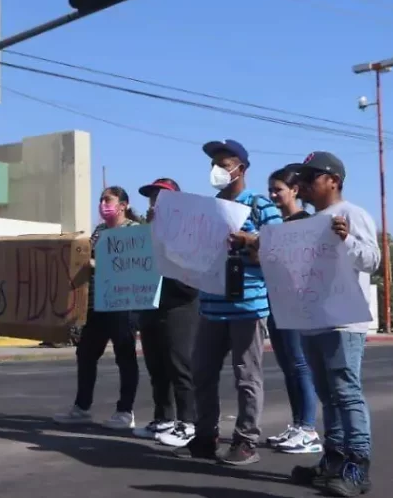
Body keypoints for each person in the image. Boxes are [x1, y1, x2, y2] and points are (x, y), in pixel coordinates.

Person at [178, 139, 281, 466]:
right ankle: (205, 434)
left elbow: (282, 248)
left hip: (247, 307)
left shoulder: (261, 205)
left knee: (246, 376)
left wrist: (251, 240)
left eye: (224, 164)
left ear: (241, 169)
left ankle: (246, 439)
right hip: (211, 305)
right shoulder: (210, 207)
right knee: (202, 372)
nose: (217, 170)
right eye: (214, 164)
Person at [287, 152, 380, 496]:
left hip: (343, 321)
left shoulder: (352, 214)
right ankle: (335, 460)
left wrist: (346, 240)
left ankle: (358, 465)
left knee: (346, 392)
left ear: (333, 180)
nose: (305, 185)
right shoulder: (306, 223)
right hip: (313, 320)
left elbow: (373, 260)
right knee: (328, 395)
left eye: (312, 177)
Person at [53, 186, 144, 430]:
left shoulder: (134, 231)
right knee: (85, 354)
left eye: (108, 199)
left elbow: (132, 265)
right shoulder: (100, 231)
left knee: (124, 357)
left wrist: (98, 264)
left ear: (123, 205)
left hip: (123, 304)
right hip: (97, 305)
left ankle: (125, 411)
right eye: (101, 199)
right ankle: (82, 407)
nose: (103, 204)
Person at [133, 179, 200, 448]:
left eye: (161, 198)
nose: (155, 203)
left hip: (180, 305)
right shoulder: (146, 234)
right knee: (156, 366)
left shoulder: (189, 232)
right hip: (151, 305)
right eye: (152, 198)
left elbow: (191, 277)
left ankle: (188, 423)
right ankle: (164, 418)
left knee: (180, 365)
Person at [263, 167, 322, 454]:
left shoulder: (305, 223)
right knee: (288, 366)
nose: (274, 195)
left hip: (299, 305)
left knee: (300, 365)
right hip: (276, 302)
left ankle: (309, 430)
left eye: (279, 190)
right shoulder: (275, 226)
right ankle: (297, 424)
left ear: (295, 190)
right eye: (271, 190)